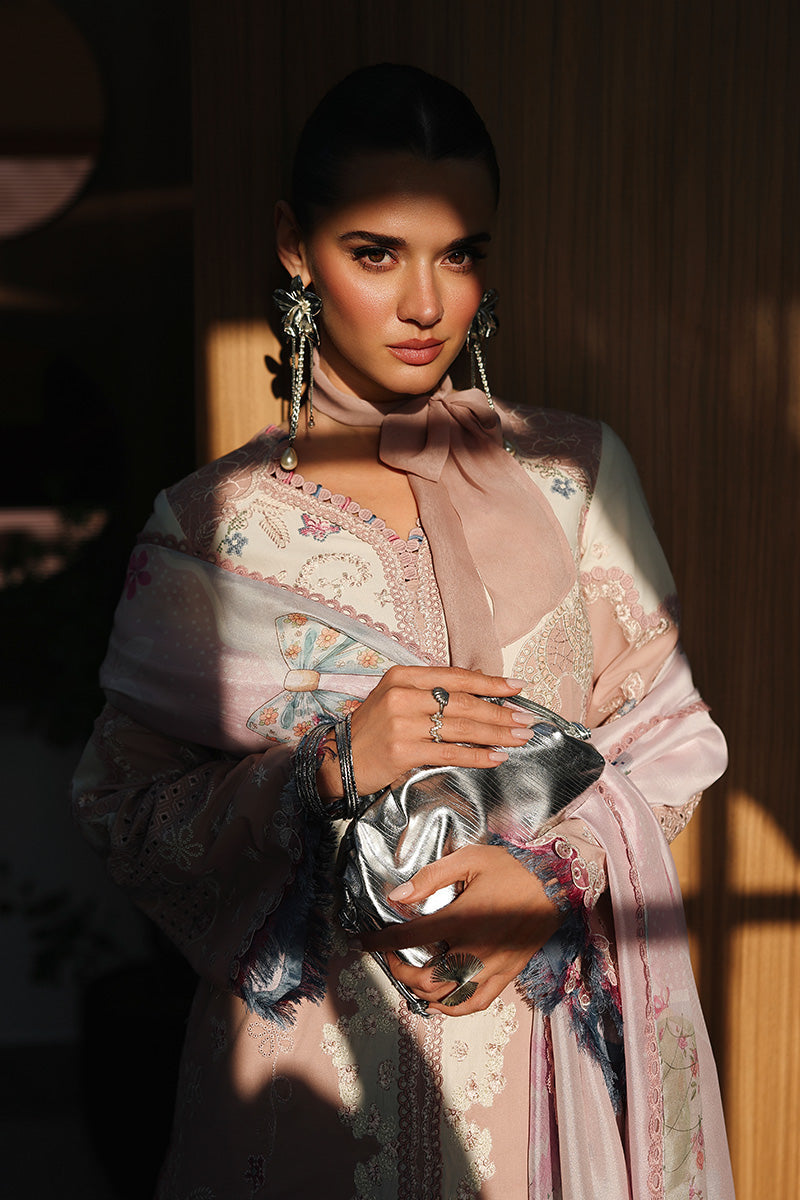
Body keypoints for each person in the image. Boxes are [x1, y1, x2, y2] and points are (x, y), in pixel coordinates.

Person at [72, 64, 735, 1199]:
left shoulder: (574, 478)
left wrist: (553, 877)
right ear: (295, 247)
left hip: (542, 1077)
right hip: (307, 1093)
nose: (425, 304)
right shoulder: (212, 530)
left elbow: (669, 740)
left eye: (459, 254)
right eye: (376, 254)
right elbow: (124, 815)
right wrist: (325, 768)